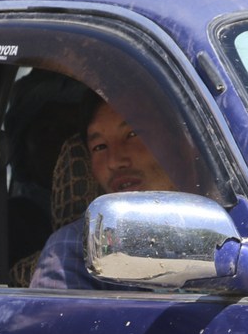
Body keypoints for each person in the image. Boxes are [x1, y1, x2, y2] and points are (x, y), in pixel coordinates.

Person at [29, 93, 176, 290]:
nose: (114, 161)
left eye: (132, 135)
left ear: (183, 143)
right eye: (99, 147)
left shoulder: (219, 221)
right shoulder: (74, 252)